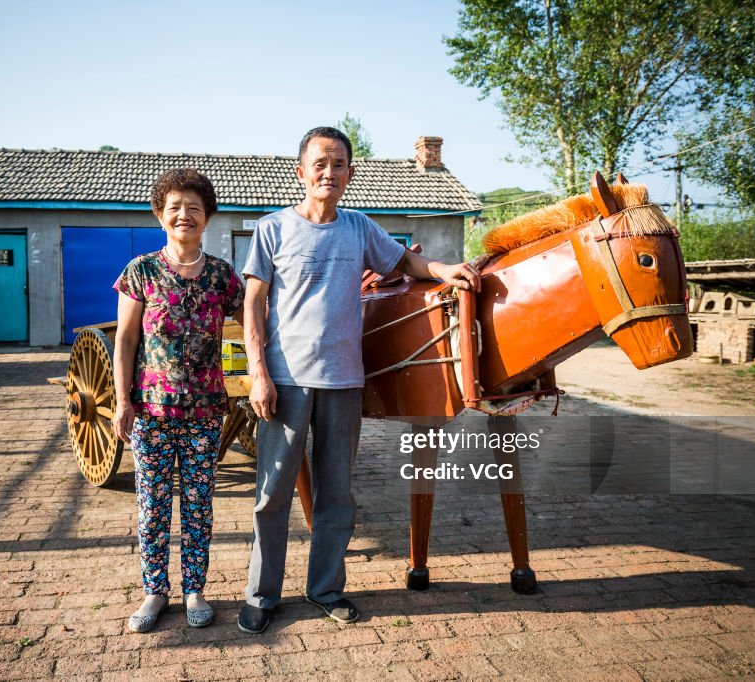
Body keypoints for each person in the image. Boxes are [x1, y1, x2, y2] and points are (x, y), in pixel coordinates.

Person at [237, 127, 481, 634]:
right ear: (301, 171)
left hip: (344, 380)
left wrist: (442, 268)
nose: (330, 172)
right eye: (320, 163)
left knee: (337, 493)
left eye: (340, 163)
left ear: (351, 172)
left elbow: (405, 261)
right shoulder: (272, 229)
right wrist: (258, 373)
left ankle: (325, 588)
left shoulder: (359, 227)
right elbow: (252, 306)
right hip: (285, 381)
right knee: (273, 492)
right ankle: (262, 594)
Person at [113, 168, 245, 633]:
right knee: (151, 504)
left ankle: (194, 589)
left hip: (206, 413)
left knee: (198, 504)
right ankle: (154, 591)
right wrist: (121, 400)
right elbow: (125, 341)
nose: (184, 215)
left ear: (207, 216)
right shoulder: (141, 271)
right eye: (174, 208)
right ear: (160, 215)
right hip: (150, 411)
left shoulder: (223, 277)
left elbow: (255, 318)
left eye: (194, 207)